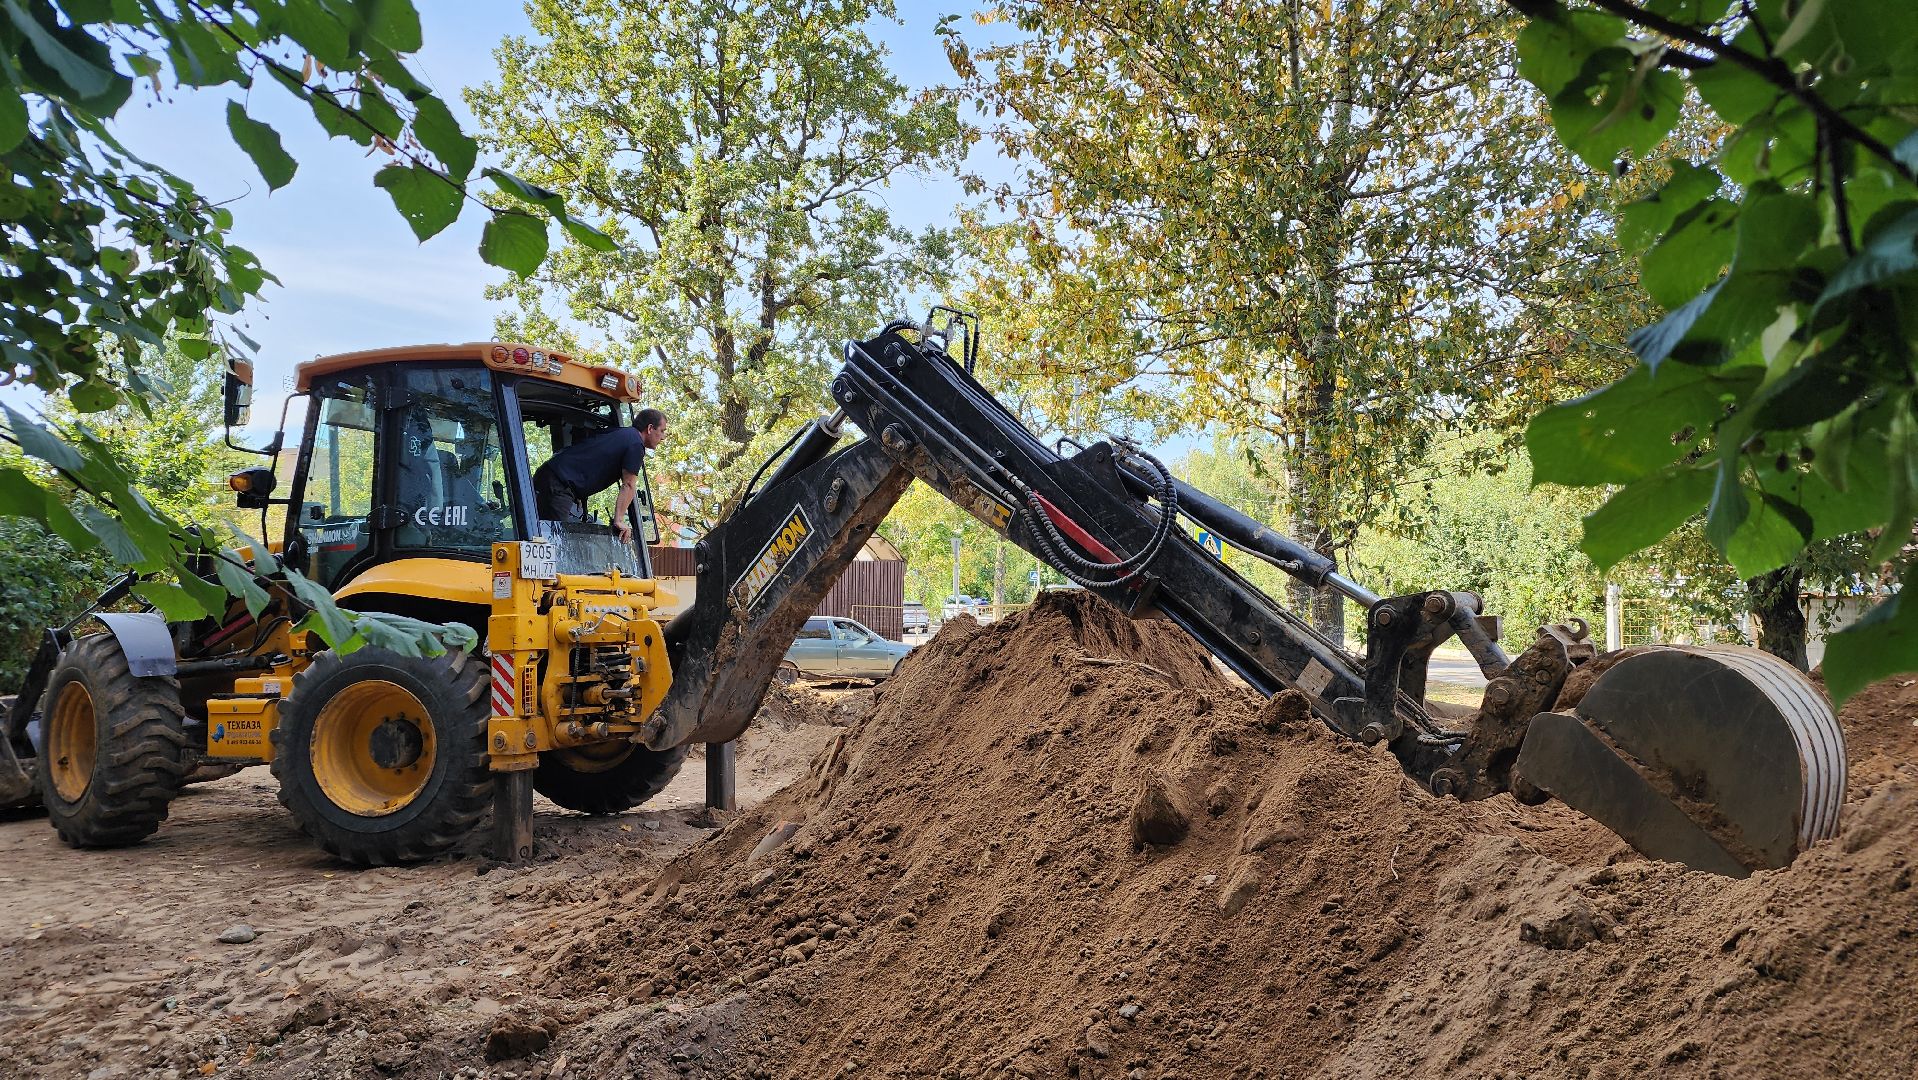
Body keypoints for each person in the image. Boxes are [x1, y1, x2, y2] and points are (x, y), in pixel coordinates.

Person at [533, 408, 667, 544]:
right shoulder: (635, 444)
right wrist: (619, 520)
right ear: (650, 428)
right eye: (662, 431)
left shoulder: (620, 434)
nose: (663, 437)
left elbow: (590, 457)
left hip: (553, 478)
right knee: (556, 542)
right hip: (557, 484)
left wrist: (577, 492)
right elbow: (629, 484)